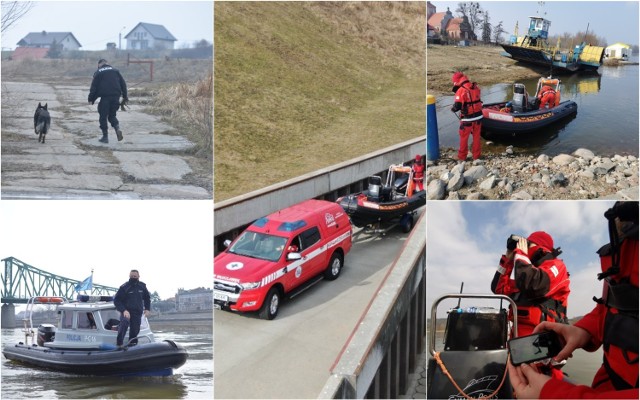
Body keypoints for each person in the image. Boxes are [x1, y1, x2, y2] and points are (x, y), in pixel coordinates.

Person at [508, 201, 639, 399]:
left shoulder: (554, 267)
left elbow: (533, 283)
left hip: (543, 349)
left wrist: (552, 395)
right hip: (526, 342)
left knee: (544, 377)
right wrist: (585, 330)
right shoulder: (523, 270)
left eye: (528, 244)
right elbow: (615, 307)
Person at [491, 231, 571, 337]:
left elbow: (533, 285)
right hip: (518, 343)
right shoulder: (525, 274)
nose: (525, 248)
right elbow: (498, 288)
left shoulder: (558, 266)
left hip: (544, 343)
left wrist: (522, 255)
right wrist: (507, 261)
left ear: (541, 247)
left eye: (528, 244)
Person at [88, 59, 128, 143]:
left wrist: (91, 98)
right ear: (107, 64)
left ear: (99, 64)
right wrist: (125, 96)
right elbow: (123, 84)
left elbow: (94, 87)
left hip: (105, 98)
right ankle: (117, 128)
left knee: (103, 116)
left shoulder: (98, 72)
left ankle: (105, 137)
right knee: (112, 116)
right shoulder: (115, 71)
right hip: (116, 97)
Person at [450, 72, 483, 161]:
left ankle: (462, 156)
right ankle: (476, 156)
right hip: (479, 117)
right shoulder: (475, 87)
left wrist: (453, 109)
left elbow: (457, 106)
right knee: (476, 137)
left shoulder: (461, 90)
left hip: (468, 119)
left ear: (456, 81)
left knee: (464, 138)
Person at [113, 269, 150, 347]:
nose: (133, 277)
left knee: (135, 329)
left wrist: (147, 309)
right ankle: (119, 343)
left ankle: (132, 345)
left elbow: (147, 298)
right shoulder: (124, 287)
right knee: (125, 322)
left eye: (135, 276)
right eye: (132, 276)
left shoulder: (142, 286)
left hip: (137, 312)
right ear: (129, 276)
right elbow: (117, 300)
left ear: (138, 276)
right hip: (127, 311)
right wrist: (124, 310)